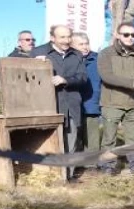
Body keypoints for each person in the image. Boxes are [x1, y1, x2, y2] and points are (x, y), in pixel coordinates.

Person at [30, 25, 87, 181]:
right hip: (48, 106)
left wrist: (65, 80)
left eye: (68, 37)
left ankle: (68, 176)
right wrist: (35, 66)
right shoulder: (38, 53)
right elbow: (26, 80)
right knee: (47, 141)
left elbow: (83, 78)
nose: (66, 40)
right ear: (52, 38)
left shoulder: (76, 55)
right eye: (62, 37)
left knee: (71, 140)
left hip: (71, 104)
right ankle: (49, 176)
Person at [97, 22, 134, 175]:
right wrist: (133, 83)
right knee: (109, 139)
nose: (130, 38)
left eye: (133, 35)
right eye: (126, 34)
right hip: (111, 103)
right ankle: (108, 166)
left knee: (133, 139)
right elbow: (107, 77)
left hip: (132, 103)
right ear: (118, 35)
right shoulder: (106, 53)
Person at [71, 32, 101, 163]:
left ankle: (92, 164)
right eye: (81, 44)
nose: (85, 47)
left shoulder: (98, 59)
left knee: (92, 136)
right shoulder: (68, 60)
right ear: (72, 45)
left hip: (91, 103)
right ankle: (77, 164)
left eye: (86, 43)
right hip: (73, 105)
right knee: (74, 136)